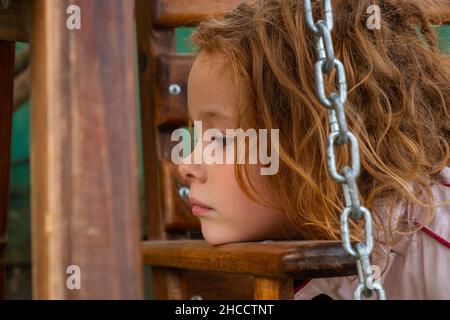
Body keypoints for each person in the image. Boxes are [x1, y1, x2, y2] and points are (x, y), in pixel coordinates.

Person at [177, 0, 450, 299]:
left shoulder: (433, 240)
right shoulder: (293, 258)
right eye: (197, 135)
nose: (186, 164)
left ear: (319, 143)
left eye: (222, 139)